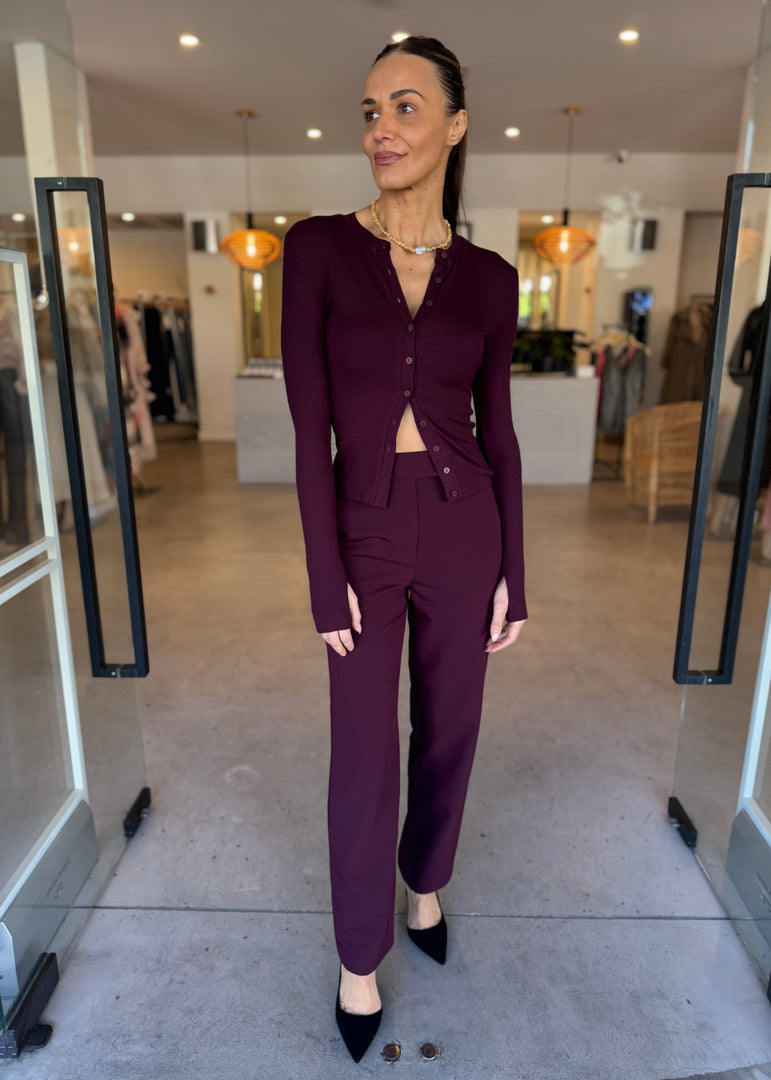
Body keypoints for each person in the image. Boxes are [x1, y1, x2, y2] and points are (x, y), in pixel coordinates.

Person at [281, 34, 528, 1063]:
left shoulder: (492, 277)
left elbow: (499, 430)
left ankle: (424, 884)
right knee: (363, 748)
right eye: (371, 110)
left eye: (406, 107)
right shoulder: (317, 250)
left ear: (455, 125)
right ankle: (358, 957)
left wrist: (516, 571)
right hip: (365, 527)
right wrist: (323, 573)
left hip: (467, 524)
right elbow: (309, 430)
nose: (381, 128)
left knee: (450, 728)